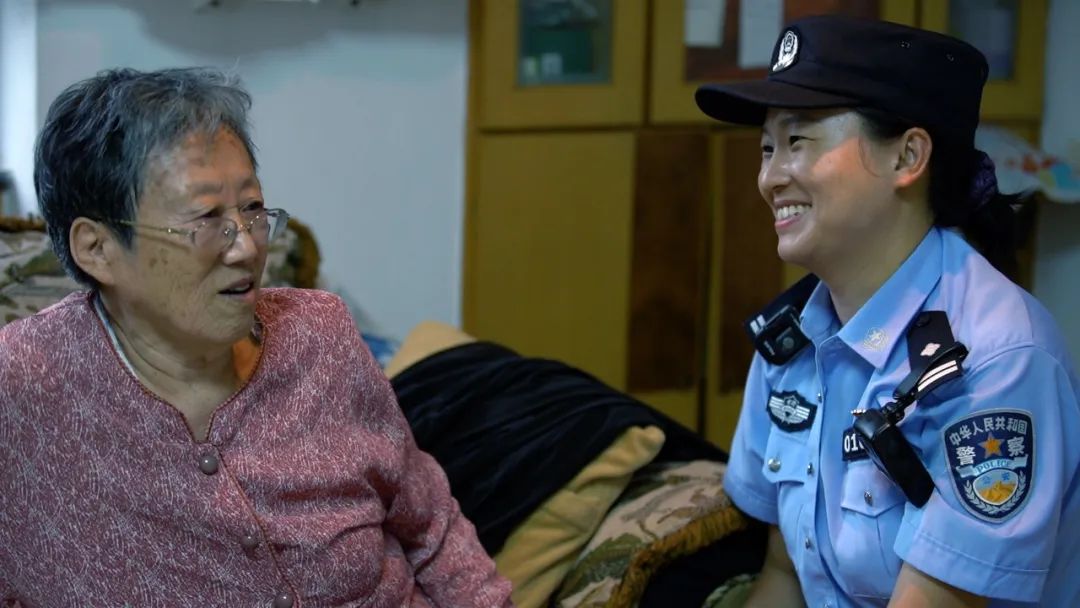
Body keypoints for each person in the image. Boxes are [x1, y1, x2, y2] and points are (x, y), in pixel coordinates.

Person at [0, 67, 513, 607]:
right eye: (206, 219)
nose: (246, 247)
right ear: (97, 249)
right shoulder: (25, 385)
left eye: (251, 209)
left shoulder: (320, 336)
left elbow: (432, 527)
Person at [695, 14, 1080, 608]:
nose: (770, 177)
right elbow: (784, 576)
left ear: (907, 156)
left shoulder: (996, 360)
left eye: (798, 142)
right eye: (767, 148)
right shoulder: (791, 341)